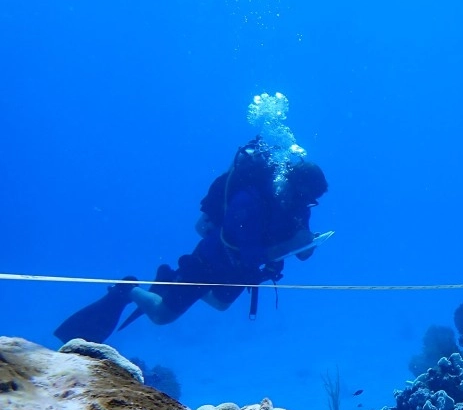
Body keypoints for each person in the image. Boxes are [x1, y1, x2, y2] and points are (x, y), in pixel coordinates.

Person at [54, 139, 328, 345]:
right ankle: (128, 289)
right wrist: (292, 244)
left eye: (312, 200)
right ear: (292, 185)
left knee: (220, 304)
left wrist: (307, 245)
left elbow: (299, 249)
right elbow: (251, 255)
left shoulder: (298, 205)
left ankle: (168, 279)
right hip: (210, 263)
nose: (308, 205)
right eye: (307, 197)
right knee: (162, 316)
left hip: (238, 271)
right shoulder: (249, 202)